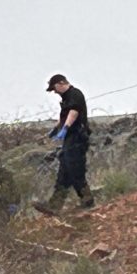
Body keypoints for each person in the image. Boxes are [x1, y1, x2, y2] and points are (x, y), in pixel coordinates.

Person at [34, 74, 94, 214]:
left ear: (61, 83)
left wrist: (65, 128)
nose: (54, 92)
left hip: (77, 138)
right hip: (70, 138)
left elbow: (74, 113)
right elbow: (64, 116)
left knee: (75, 169)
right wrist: (55, 130)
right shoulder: (66, 98)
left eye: (54, 88)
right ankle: (55, 205)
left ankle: (88, 200)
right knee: (64, 172)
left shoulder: (75, 94)